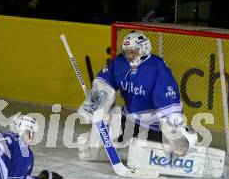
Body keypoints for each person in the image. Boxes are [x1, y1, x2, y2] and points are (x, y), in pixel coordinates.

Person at [77, 31, 197, 161]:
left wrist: (172, 119)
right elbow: (105, 81)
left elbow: (165, 96)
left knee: (167, 132)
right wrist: (96, 100)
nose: (129, 56)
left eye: (133, 52)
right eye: (127, 52)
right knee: (107, 124)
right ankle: (94, 143)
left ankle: (184, 140)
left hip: (154, 122)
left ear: (144, 49)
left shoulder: (156, 66)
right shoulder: (119, 63)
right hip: (130, 117)